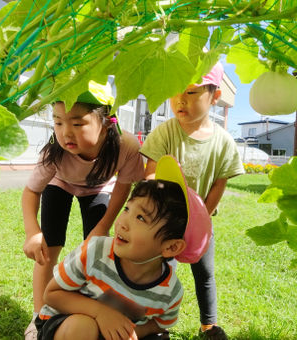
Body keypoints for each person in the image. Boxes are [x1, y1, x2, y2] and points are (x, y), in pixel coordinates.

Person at [34, 155, 212, 340]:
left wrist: (132, 333)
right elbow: (52, 294)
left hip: (113, 334)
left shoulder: (170, 291)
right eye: (127, 209)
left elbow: (160, 324)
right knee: (83, 326)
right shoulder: (96, 252)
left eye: (141, 218)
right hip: (67, 324)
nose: (122, 223)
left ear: (171, 247)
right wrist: (100, 313)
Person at [22, 81, 145, 340]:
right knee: (48, 249)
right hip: (60, 184)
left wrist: (101, 229)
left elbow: (123, 188)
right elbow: (31, 191)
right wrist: (33, 232)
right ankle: (38, 316)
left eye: (77, 124)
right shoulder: (54, 153)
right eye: (58, 123)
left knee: (98, 252)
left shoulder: (126, 145)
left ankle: (91, 307)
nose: (66, 133)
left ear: (106, 122)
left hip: (97, 188)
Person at [140, 62, 245, 340]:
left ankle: (209, 326)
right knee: (159, 273)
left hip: (201, 224)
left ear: (215, 96)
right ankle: (153, 324)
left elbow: (219, 184)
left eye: (190, 92)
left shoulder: (223, 142)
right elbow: (150, 174)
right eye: (175, 92)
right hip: (163, 221)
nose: (179, 100)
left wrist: (202, 219)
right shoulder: (164, 133)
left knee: (205, 274)